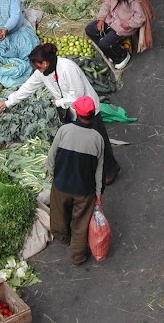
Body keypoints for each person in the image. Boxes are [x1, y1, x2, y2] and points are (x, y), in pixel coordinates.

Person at [0, 43, 121, 185]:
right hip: (71, 112)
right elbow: (28, 87)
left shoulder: (67, 68)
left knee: (99, 140)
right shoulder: (43, 72)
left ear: (45, 62)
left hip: (87, 109)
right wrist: (8, 102)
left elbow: (78, 95)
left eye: (37, 66)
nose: (36, 70)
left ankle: (111, 170)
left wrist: (59, 102)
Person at [46, 96, 104, 265]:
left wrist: (54, 177)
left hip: (61, 185)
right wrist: (98, 193)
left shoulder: (64, 130)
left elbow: (51, 158)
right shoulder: (97, 138)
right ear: (92, 115)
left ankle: (63, 238)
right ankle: (78, 256)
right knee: (80, 224)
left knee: (58, 215)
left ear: (76, 112)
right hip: (84, 191)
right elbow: (99, 170)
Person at [85, 0, 155, 70]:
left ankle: (122, 56)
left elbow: (141, 16)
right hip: (112, 19)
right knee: (90, 29)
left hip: (123, 25)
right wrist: (101, 19)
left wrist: (127, 25)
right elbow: (107, 3)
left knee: (104, 44)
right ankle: (113, 45)